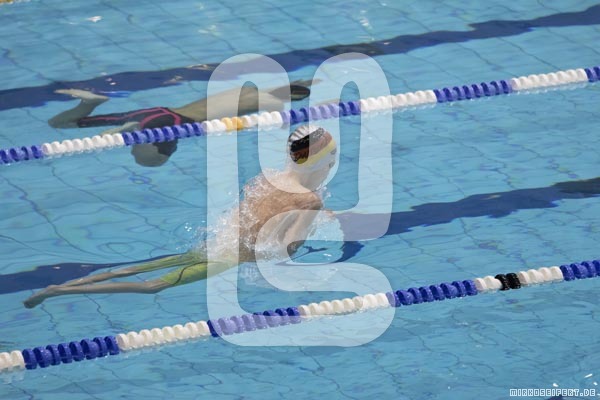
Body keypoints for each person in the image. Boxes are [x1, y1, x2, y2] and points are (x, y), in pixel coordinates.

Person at [23, 124, 337, 308]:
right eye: (331, 158)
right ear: (322, 162)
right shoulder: (309, 200)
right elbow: (285, 250)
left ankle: (67, 284)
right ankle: (57, 292)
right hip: (230, 256)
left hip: (218, 242)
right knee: (152, 286)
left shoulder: (270, 176)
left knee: (136, 268)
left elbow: (240, 213)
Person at [48, 81, 314, 166]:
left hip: (154, 113)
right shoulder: (266, 101)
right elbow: (278, 121)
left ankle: (90, 103)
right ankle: (133, 132)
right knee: (151, 160)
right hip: (174, 122)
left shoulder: (246, 91)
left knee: (62, 123)